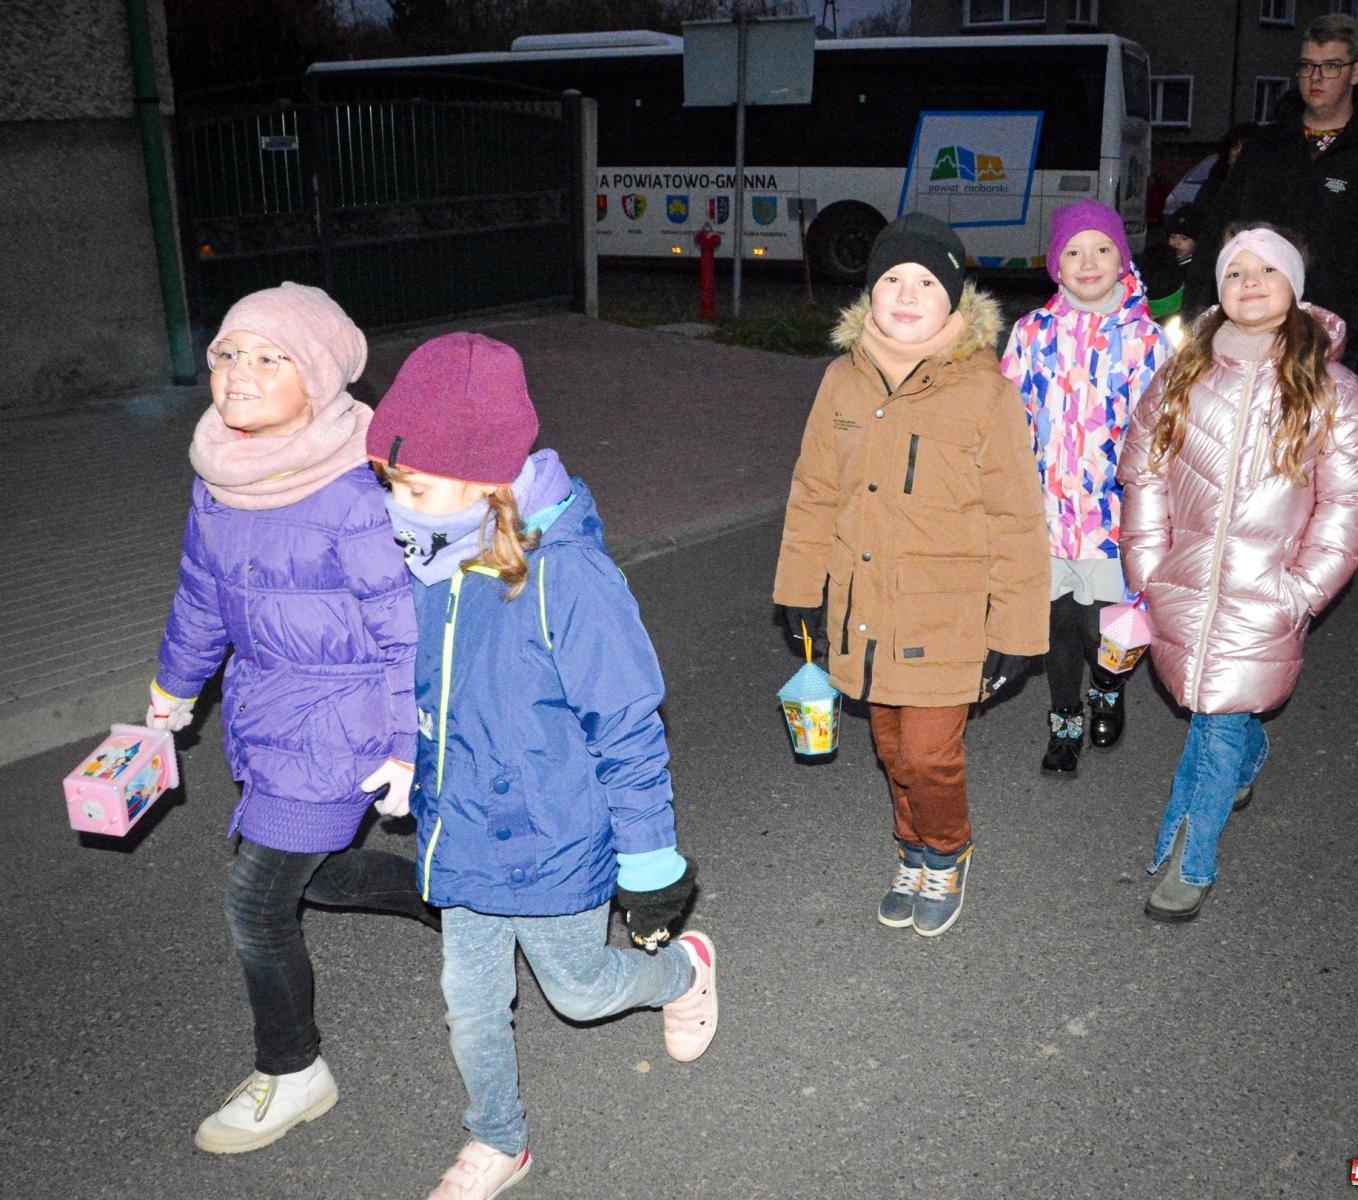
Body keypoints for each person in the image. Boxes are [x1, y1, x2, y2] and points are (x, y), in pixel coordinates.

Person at [366, 332, 716, 1199]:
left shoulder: (572, 579)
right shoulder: (431, 558)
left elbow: (627, 728)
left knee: (580, 990)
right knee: (470, 1001)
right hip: (463, 831)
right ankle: (497, 1139)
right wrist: (407, 755)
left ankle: (684, 971)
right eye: (391, 484)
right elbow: (424, 680)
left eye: (413, 486)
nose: (397, 506)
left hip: (556, 834)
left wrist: (650, 863)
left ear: (485, 479)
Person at [148, 282, 429, 1154]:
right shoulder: (221, 476)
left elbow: (403, 632)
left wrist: (404, 744)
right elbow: (202, 595)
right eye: (229, 353)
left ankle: (294, 1069)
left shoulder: (355, 492)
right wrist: (175, 686)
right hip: (268, 711)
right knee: (326, 877)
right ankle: (464, 897)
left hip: (344, 724)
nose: (240, 373)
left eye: (271, 359)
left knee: (257, 902)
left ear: (318, 378)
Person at [773, 213, 1048, 938]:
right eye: (892, 278)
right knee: (892, 749)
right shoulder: (841, 381)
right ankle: (912, 848)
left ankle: (948, 851)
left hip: (947, 613)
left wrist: (1016, 629)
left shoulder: (985, 392)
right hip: (863, 605)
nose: (905, 293)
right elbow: (814, 492)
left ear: (954, 298)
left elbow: (1017, 517)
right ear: (870, 290)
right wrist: (800, 589)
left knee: (929, 755)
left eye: (926, 282)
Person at [1119, 226, 1358, 922]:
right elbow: (1144, 472)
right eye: (1235, 272)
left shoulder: (1332, 388)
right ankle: (1248, 752)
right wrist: (1147, 564)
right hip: (1182, 580)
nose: (1250, 284)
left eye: (1268, 270)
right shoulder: (1183, 373)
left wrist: (1303, 589)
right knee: (1215, 708)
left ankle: (1191, 859)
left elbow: (1350, 501)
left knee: (1214, 721)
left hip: (1267, 591)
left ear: (1294, 286)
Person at [1001, 198, 1172, 776]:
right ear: (1056, 265)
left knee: (1103, 625)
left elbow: (1166, 429)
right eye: (1073, 252)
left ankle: (1108, 686)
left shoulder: (1147, 340)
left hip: (1113, 518)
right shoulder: (1031, 333)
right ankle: (1065, 717)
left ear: (1122, 259)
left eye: (1102, 249)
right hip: (1045, 514)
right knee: (1057, 626)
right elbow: (1008, 417)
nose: (1089, 262)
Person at [1182, 14, 1358, 361]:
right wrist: (1197, 317)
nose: (1315, 77)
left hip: (1327, 341)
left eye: (1331, 66)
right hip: (1248, 332)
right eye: (1307, 65)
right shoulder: (1264, 148)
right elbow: (1217, 232)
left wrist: (1349, 328)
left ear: (1356, 72)